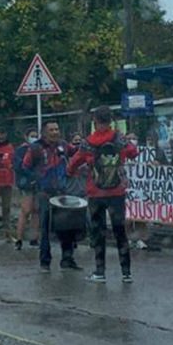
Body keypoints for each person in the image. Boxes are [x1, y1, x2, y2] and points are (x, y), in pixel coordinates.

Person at [68, 106, 139, 283]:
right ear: (111, 120)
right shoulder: (118, 138)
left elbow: (74, 163)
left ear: (94, 121)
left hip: (95, 193)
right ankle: (126, 273)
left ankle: (100, 272)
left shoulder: (88, 142)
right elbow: (133, 152)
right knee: (120, 231)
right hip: (117, 191)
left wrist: (71, 172)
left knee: (98, 233)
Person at [25, 121, 80, 271]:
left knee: (67, 227)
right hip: (44, 193)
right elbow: (25, 166)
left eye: (57, 129)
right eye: (51, 130)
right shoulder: (35, 148)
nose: (55, 132)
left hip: (62, 192)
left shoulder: (63, 145)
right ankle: (45, 262)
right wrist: (36, 180)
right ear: (44, 132)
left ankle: (67, 259)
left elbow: (77, 153)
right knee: (45, 227)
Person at [13, 128, 40, 251]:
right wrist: (31, 176)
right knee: (26, 210)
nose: (34, 138)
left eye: (36, 135)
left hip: (38, 184)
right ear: (26, 136)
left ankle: (34, 238)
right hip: (26, 184)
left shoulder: (39, 149)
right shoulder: (21, 150)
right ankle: (19, 238)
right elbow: (19, 167)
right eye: (32, 135)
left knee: (36, 211)